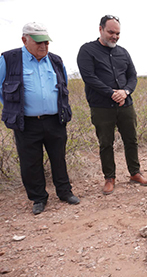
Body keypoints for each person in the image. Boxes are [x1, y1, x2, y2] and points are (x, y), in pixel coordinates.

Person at [0, 22, 80, 215]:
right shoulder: (8, 59)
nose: (43, 46)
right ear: (24, 40)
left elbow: (63, 86)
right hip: (27, 123)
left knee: (58, 158)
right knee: (30, 162)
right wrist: (13, 109)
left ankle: (64, 192)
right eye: (38, 42)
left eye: (46, 42)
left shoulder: (55, 60)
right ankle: (38, 198)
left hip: (54, 120)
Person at [77, 15, 147, 195]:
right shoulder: (87, 50)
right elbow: (89, 78)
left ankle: (135, 173)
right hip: (101, 107)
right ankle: (109, 178)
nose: (114, 36)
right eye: (111, 32)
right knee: (105, 143)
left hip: (125, 104)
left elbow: (132, 76)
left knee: (131, 140)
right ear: (100, 29)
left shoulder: (123, 52)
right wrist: (111, 92)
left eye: (117, 33)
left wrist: (125, 91)